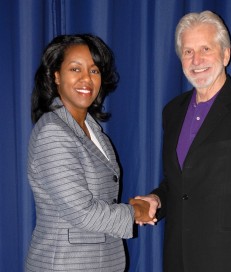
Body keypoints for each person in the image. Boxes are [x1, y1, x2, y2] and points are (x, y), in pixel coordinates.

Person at [135, 10, 231, 272]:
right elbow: (180, 185)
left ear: (225, 54)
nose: (197, 60)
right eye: (188, 51)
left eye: (206, 48)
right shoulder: (172, 112)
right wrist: (157, 200)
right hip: (178, 259)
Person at [25, 34, 152, 272]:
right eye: (75, 69)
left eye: (94, 71)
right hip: (65, 265)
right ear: (56, 76)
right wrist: (134, 212)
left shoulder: (93, 131)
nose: (87, 79)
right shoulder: (53, 132)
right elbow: (82, 212)